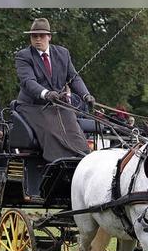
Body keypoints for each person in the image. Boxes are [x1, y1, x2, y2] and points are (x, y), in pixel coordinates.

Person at [14, 18, 94, 163]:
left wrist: (85, 95)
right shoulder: (23, 56)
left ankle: (82, 162)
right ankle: (56, 166)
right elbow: (28, 82)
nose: (38, 39)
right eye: (34, 36)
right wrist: (46, 93)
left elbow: (74, 78)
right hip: (33, 106)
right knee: (52, 132)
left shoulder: (63, 53)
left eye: (42, 35)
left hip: (59, 105)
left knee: (75, 133)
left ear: (49, 36)